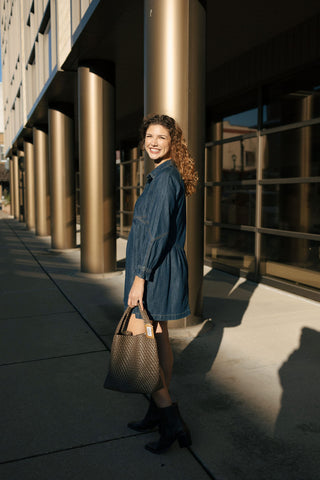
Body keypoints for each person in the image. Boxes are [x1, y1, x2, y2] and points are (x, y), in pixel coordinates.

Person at [124, 113, 198, 454]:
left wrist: (139, 278)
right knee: (160, 339)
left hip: (154, 272)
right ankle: (157, 412)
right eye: (149, 136)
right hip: (162, 268)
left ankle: (169, 417)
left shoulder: (166, 178)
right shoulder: (165, 175)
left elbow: (157, 233)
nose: (153, 142)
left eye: (161, 138)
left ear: (173, 143)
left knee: (144, 347)